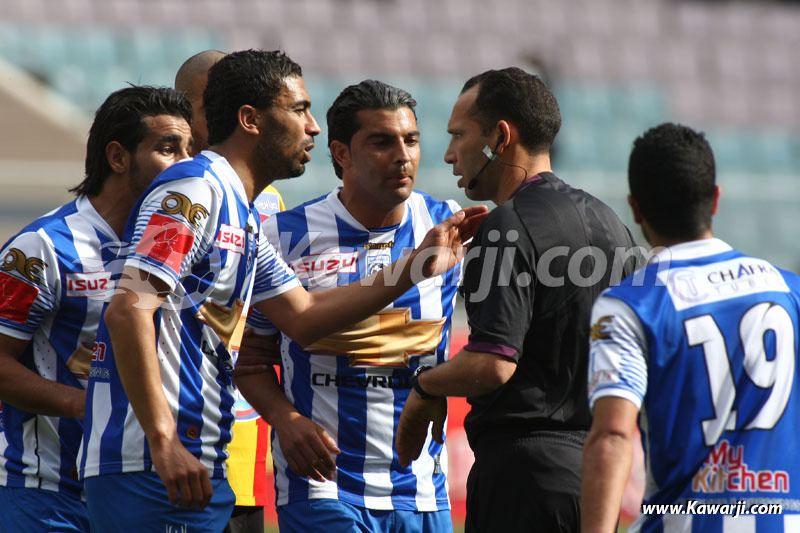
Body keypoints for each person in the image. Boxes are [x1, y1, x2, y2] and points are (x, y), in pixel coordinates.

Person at [78, 49, 485, 531]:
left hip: (198, 459)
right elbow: (128, 311)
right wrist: (163, 438)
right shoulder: (194, 191)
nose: (313, 127)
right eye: (299, 110)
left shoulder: (246, 216)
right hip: (148, 460)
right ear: (250, 119)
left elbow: (304, 314)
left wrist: (416, 266)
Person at [395, 67, 637, 533]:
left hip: (523, 481)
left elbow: (493, 362)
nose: (448, 155)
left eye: (458, 136)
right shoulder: (613, 225)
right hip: (597, 475)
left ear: (499, 137)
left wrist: (424, 387)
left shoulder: (508, 225)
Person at [237, 79, 460, 533]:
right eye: (381, 142)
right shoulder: (283, 236)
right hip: (321, 486)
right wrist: (284, 419)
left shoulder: (450, 226)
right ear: (341, 153)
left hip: (421, 489)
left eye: (411, 140)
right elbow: (250, 359)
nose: (403, 155)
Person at [581, 123, 800, 532]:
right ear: (715, 199)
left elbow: (612, 436)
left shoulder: (631, 305)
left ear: (635, 208)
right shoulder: (790, 291)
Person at [0, 86, 192, 532]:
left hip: (141, 485)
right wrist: (87, 404)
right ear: (118, 157)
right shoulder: (43, 247)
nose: (186, 164)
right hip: (47, 489)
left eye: (190, 149)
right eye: (168, 148)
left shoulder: (175, 245)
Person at [176, 48, 286, 533]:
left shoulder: (269, 200)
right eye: (209, 102)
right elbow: (130, 307)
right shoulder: (171, 192)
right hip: (170, 433)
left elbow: (289, 310)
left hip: (241, 433)